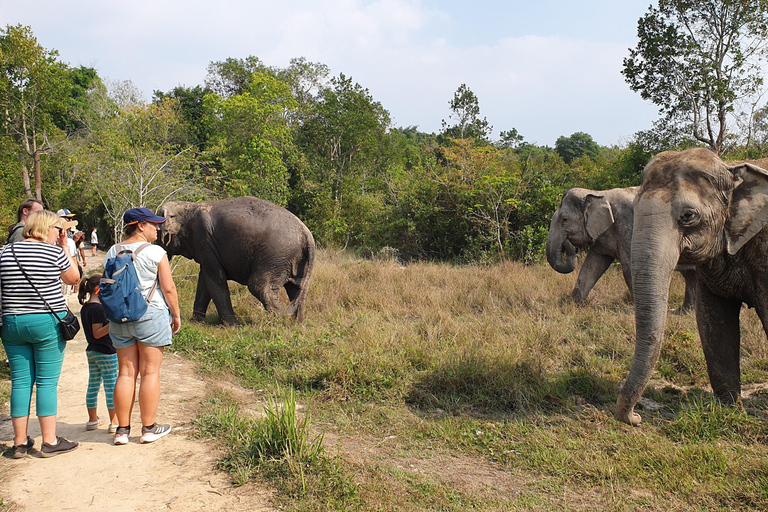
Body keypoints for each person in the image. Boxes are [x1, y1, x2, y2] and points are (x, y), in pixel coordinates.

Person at [0, 210, 80, 458]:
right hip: (46, 322)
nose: (60, 234)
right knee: (46, 382)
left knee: (21, 382)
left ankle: (20, 442)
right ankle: (50, 441)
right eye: (58, 229)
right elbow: (73, 278)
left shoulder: (4, 252)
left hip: (11, 323)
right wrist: (64, 246)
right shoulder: (54, 252)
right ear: (47, 228)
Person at [105, 207, 181, 445]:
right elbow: (168, 288)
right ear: (140, 225)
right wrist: (176, 316)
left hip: (119, 319)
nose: (157, 228)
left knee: (125, 373)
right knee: (150, 372)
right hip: (150, 315)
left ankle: (122, 431)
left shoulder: (112, 251)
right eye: (153, 224)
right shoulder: (156, 252)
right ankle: (148, 429)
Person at [78, 273, 118, 433]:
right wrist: (113, 323)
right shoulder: (98, 310)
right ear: (98, 289)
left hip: (92, 351)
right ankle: (114, 422)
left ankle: (92, 419)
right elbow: (97, 332)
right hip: (106, 352)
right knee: (111, 387)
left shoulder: (86, 308)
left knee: (93, 385)